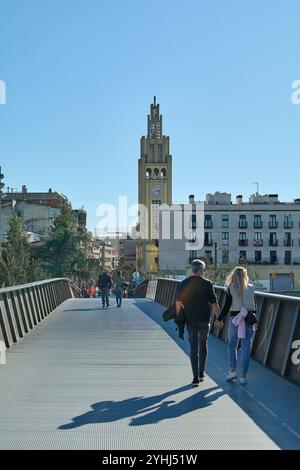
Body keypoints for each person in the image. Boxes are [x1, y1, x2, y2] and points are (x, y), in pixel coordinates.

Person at [176, 259, 221, 387]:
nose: (204, 272)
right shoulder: (207, 284)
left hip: (190, 320)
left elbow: (178, 302)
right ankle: (201, 373)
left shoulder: (184, 283)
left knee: (193, 348)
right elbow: (214, 303)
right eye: (204, 270)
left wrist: (179, 317)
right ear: (200, 270)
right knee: (203, 344)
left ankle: (195, 377)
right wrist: (219, 318)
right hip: (204, 320)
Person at [214, 266, 256, 385]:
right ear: (245, 275)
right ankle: (243, 376)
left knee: (232, 344)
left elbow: (227, 306)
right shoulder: (252, 288)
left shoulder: (230, 288)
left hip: (235, 319)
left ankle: (232, 371)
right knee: (246, 348)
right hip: (248, 319)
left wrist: (219, 319)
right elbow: (254, 307)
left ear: (233, 275)